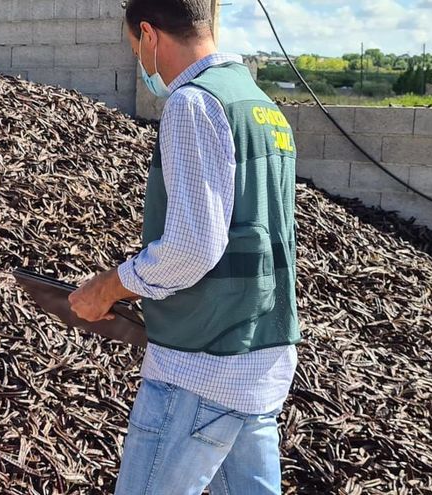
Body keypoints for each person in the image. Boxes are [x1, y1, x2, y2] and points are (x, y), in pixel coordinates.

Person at [68, 0, 300, 493]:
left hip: (202, 363)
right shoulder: (258, 104)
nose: (140, 62)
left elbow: (193, 248)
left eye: (135, 48)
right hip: (260, 354)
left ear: (149, 34)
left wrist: (108, 288)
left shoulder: (194, 103)